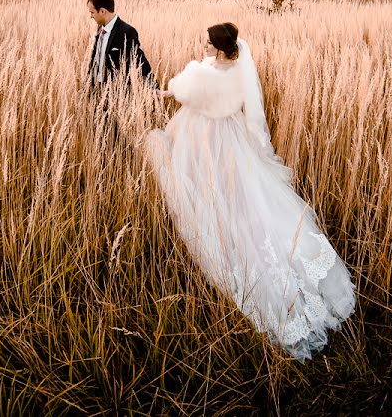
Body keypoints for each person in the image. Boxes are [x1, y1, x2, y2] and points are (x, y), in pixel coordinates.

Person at [144, 22, 355, 362]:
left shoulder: (203, 73)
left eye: (208, 41)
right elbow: (250, 110)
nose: (203, 44)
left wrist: (170, 89)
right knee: (247, 199)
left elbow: (183, 88)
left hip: (204, 137)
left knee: (209, 191)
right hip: (234, 136)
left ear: (220, 46)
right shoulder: (237, 70)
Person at [86, 0, 157, 89]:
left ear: (102, 11)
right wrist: (87, 86)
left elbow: (139, 60)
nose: (91, 16)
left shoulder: (127, 32)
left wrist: (153, 86)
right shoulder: (100, 29)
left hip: (114, 92)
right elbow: (95, 60)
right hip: (96, 90)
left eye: (92, 12)